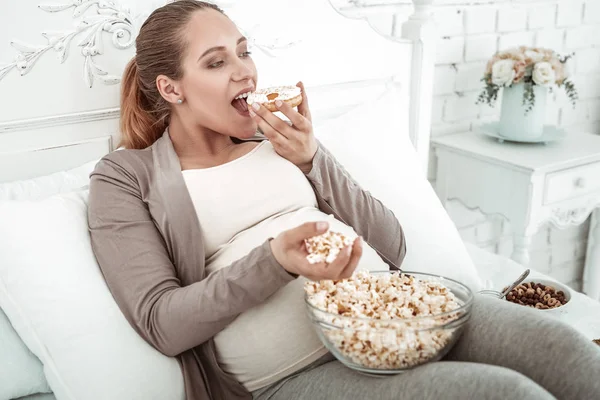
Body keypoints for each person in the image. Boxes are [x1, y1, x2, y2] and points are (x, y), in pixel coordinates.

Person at [87, 1, 600, 399]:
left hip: (400, 306)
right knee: (503, 393)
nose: (245, 72)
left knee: (567, 353)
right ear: (171, 89)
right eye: (217, 62)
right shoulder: (126, 178)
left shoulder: (278, 135)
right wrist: (276, 262)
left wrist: (312, 159)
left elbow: (392, 244)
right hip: (297, 373)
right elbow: (163, 322)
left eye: (244, 51)